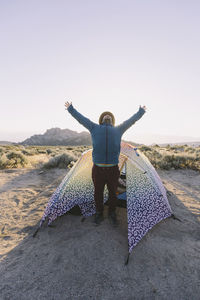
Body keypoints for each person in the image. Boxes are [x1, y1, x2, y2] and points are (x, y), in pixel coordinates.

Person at [65, 101, 146, 226]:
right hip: (98, 169)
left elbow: (131, 121)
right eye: (104, 116)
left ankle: (112, 213)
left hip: (113, 169)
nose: (107, 116)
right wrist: (71, 109)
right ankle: (99, 213)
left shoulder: (119, 129)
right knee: (98, 193)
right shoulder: (94, 128)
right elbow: (81, 119)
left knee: (113, 193)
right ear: (101, 119)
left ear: (112, 120)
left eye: (109, 116)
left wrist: (140, 112)